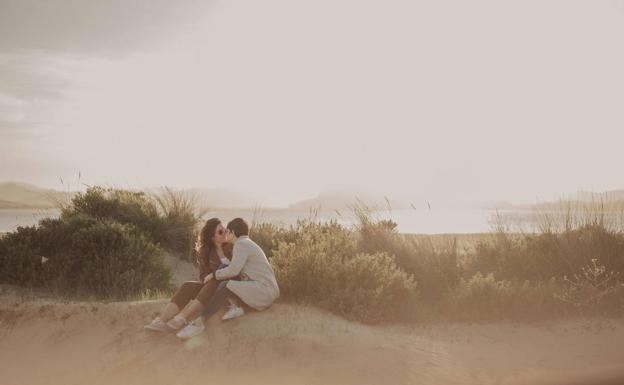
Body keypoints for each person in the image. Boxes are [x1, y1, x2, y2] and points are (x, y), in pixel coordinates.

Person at [176, 217, 280, 339]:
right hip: (264, 291)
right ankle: (236, 308)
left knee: (226, 285)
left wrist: (213, 275)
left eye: (228, 231)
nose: (226, 233)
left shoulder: (241, 244)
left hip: (264, 291)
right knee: (225, 270)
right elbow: (230, 266)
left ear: (233, 232)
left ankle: (200, 322)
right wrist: (220, 270)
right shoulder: (246, 243)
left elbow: (233, 270)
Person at [144, 218, 244, 332]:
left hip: (230, 289)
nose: (225, 232)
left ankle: (181, 318)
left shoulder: (233, 247)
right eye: (220, 232)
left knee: (214, 281)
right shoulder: (206, 253)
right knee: (188, 285)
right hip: (212, 288)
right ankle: (162, 320)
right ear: (212, 237)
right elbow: (203, 276)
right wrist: (211, 278)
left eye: (225, 229)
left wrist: (214, 276)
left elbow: (237, 270)